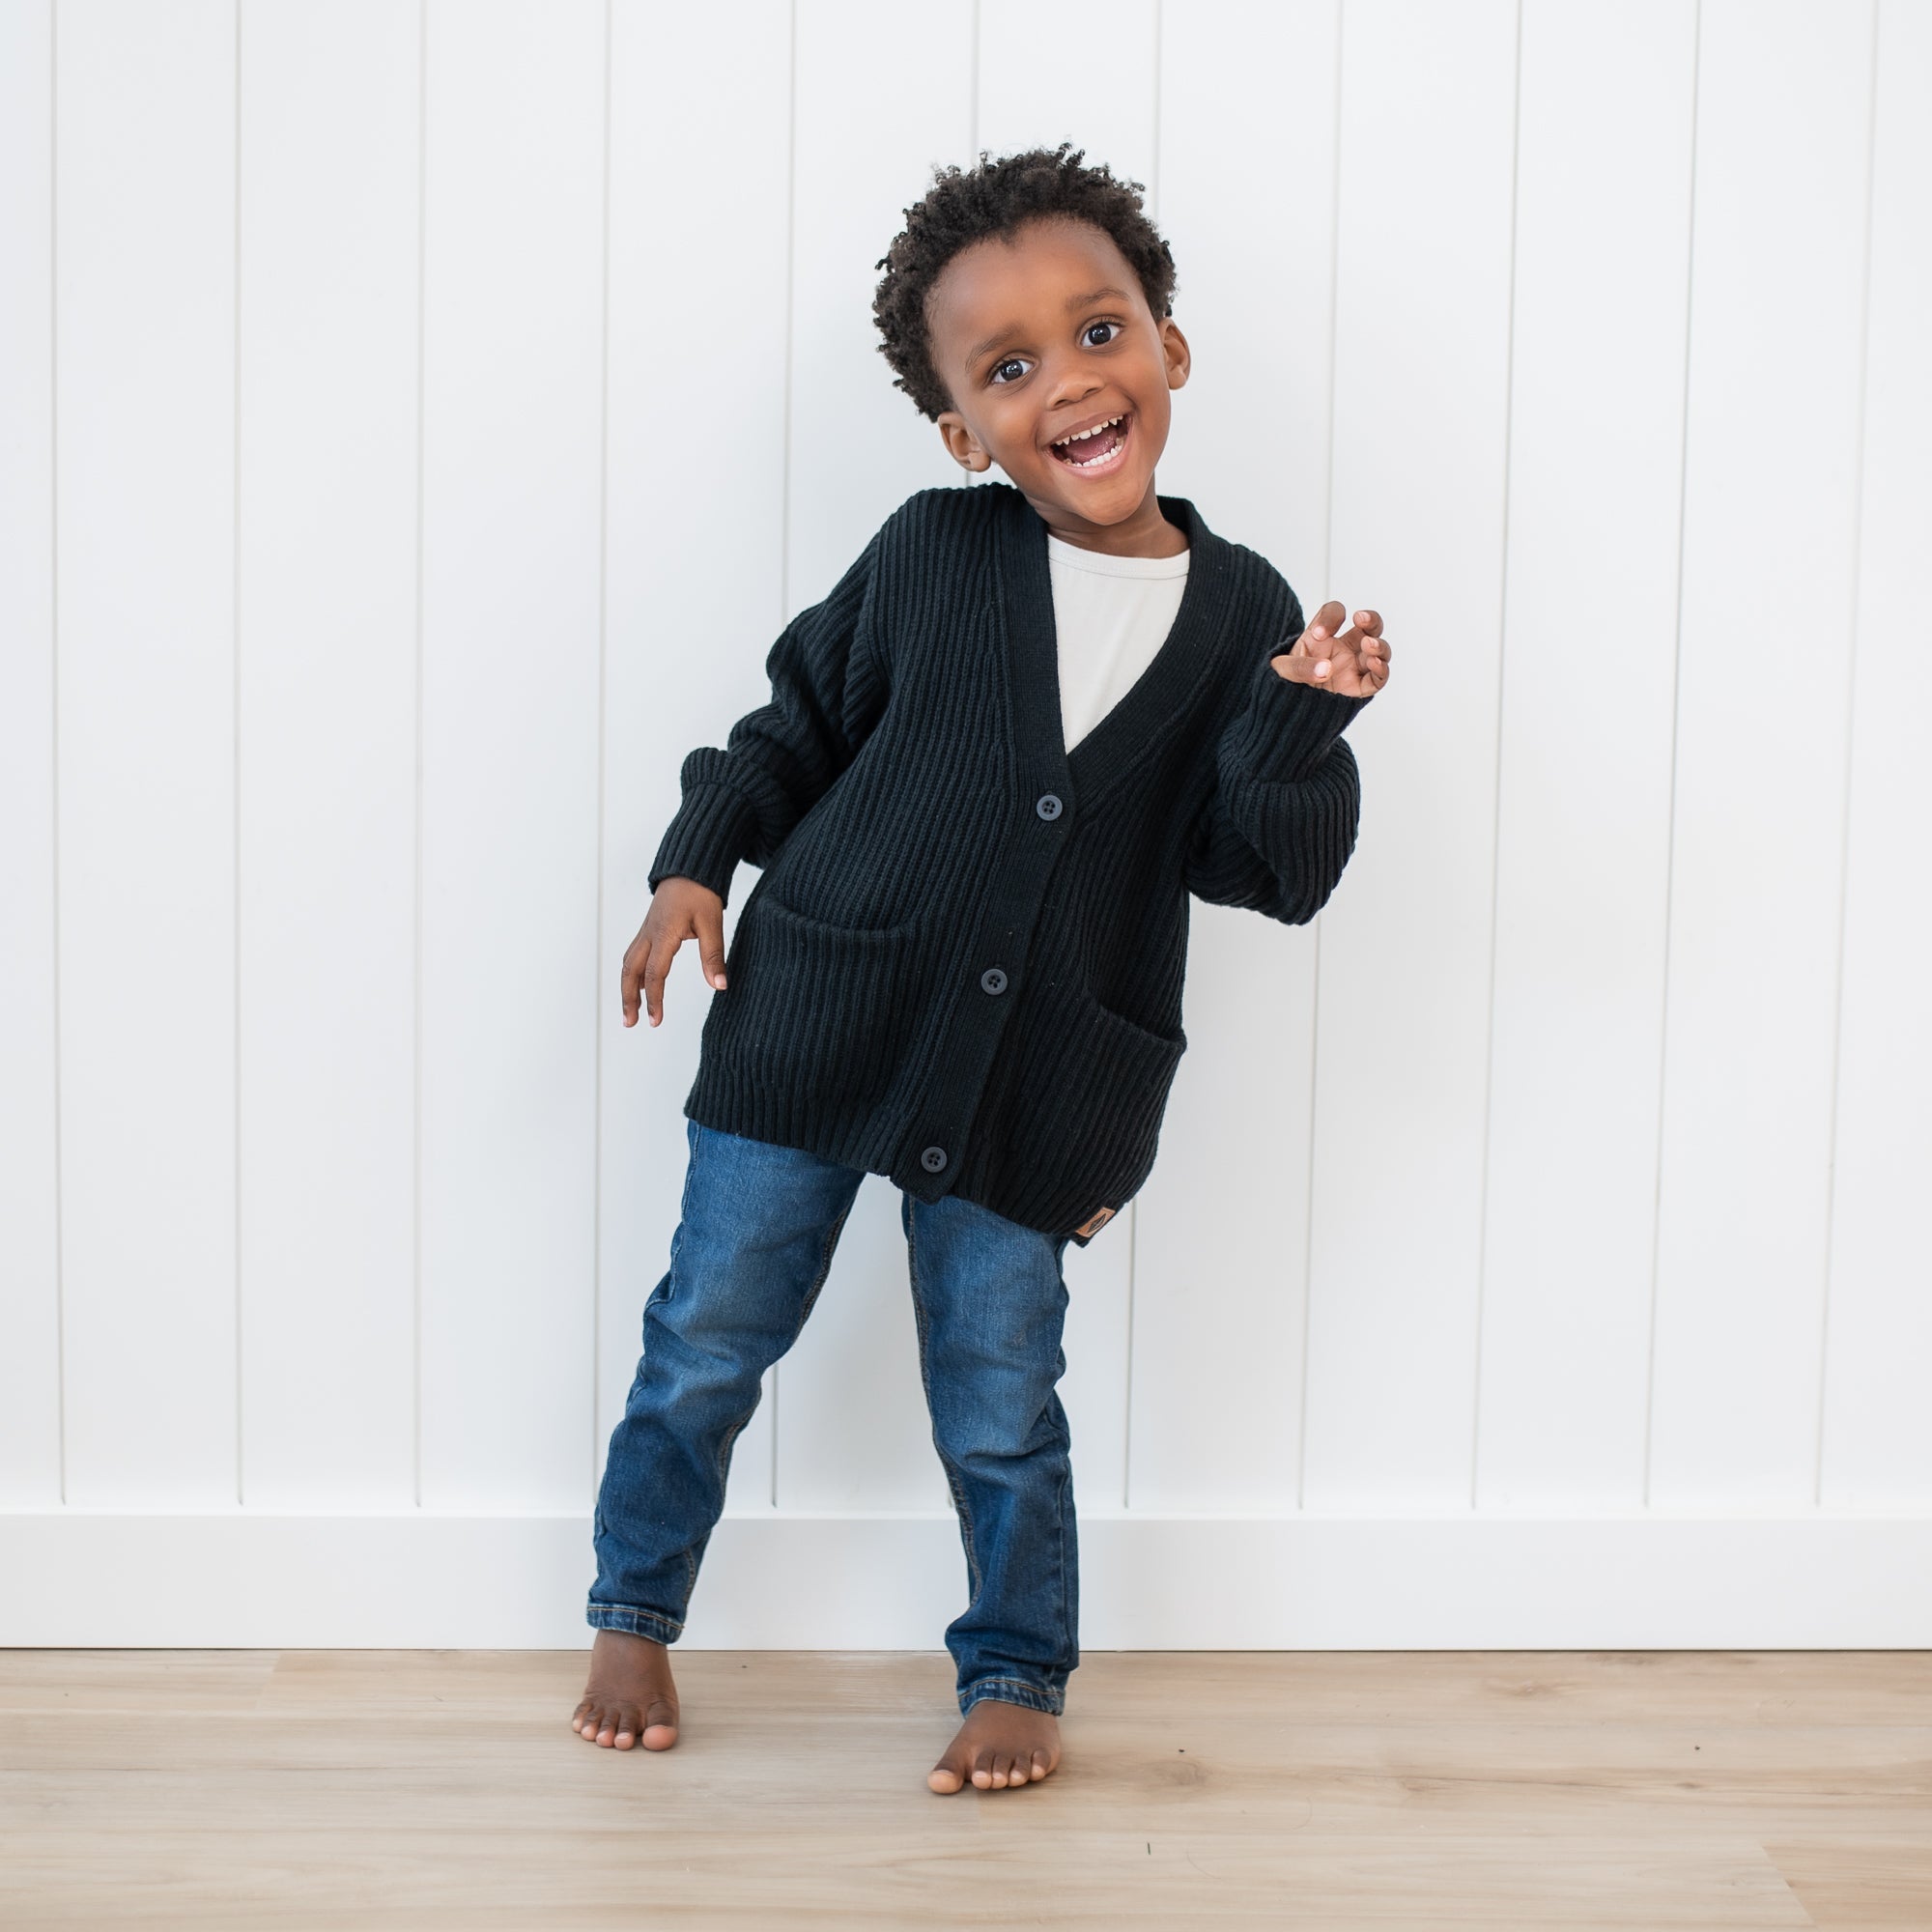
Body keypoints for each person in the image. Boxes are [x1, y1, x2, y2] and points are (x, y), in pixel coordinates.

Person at [572, 144, 1392, 1794]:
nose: (1069, 385)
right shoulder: (934, 555)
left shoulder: (1243, 615)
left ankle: (1017, 1665)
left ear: (1167, 346)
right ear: (962, 429)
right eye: (1008, 368)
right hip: (811, 1022)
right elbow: (789, 725)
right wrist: (692, 864)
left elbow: (1263, 873)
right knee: (709, 1337)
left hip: (1042, 1085)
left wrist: (1301, 722)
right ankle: (633, 1604)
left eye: (1100, 334)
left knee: (1004, 1395)